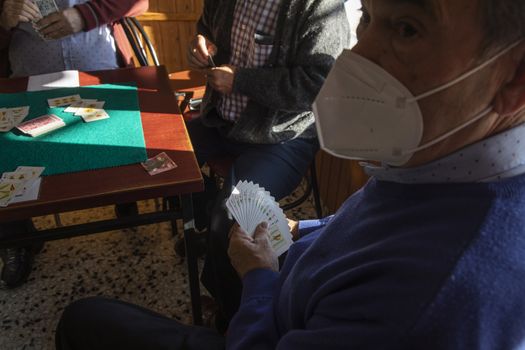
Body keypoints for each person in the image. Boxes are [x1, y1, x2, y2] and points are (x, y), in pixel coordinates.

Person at [56, 0, 525, 349]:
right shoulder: (436, 157)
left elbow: (314, 85)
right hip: (225, 123)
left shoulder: (435, 300)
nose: (357, 57)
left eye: (407, 28)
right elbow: (374, 225)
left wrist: (258, 280)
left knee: (86, 318)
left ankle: (227, 305)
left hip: (277, 139)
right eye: (368, 19)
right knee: (168, 159)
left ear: (514, 80)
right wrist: (314, 229)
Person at [184, 0, 350, 330]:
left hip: (284, 136)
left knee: (231, 216)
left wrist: (241, 81)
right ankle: (207, 228)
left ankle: (230, 318)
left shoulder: (321, 6)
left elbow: (318, 84)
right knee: (172, 165)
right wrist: (199, 43)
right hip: (221, 120)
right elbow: (206, 27)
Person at [0, 0, 148, 288]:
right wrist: (2, 19)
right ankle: (16, 239)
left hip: (100, 75)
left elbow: (140, 2)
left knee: (118, 141)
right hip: (26, 82)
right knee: (10, 155)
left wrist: (84, 16)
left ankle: (125, 196)